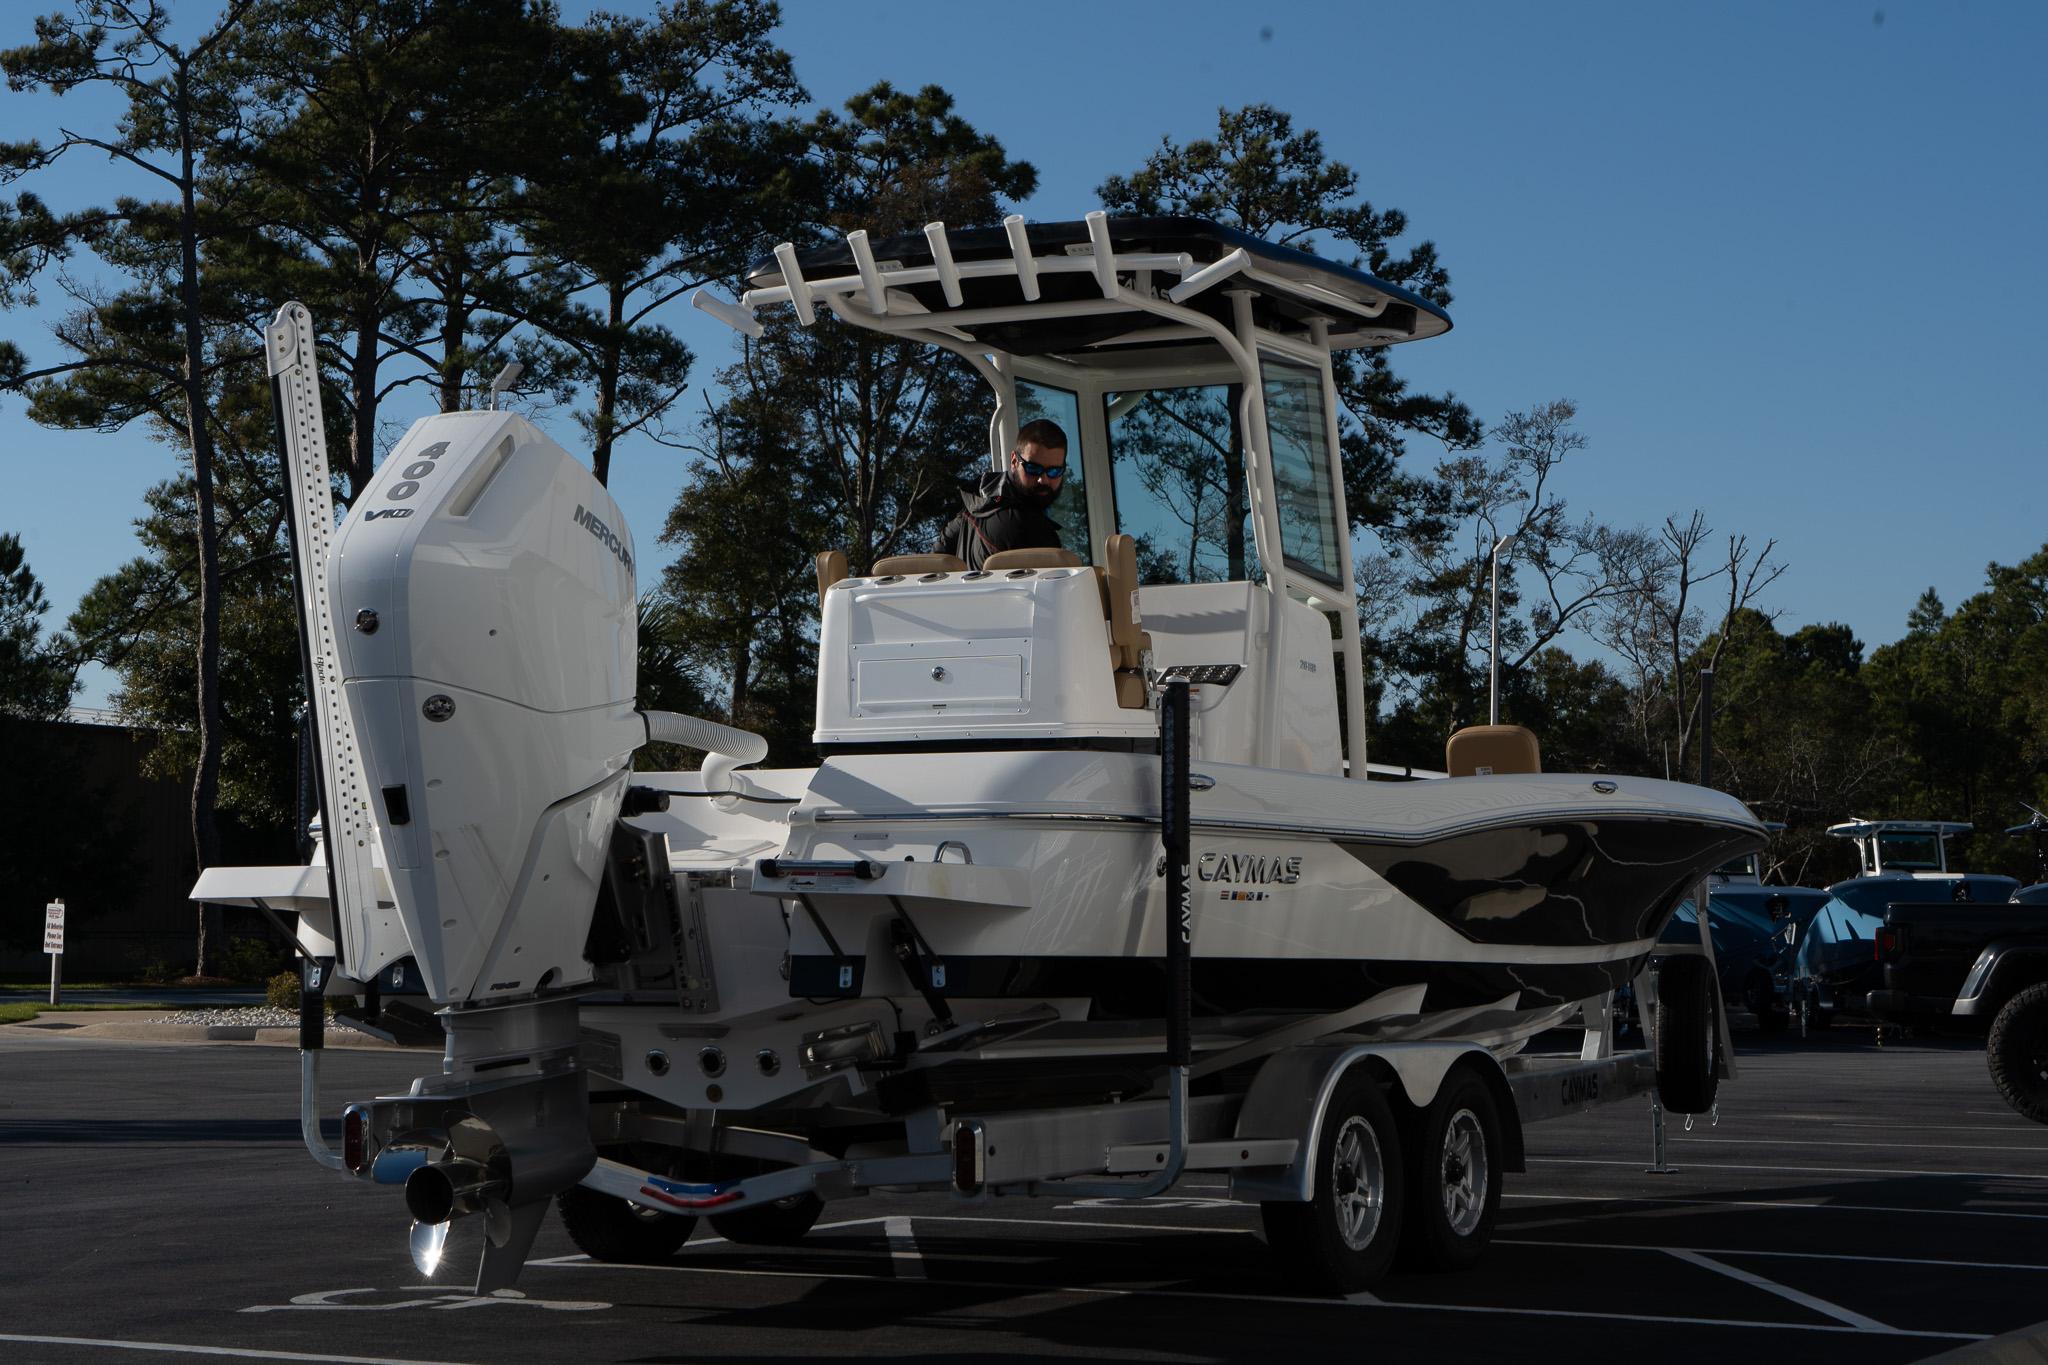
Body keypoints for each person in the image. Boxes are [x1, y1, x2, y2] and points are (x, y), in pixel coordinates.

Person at [933, 419, 1070, 570]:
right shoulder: (1031, 530)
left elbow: (938, 555)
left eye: (1054, 471)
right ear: (1014, 461)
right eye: (1033, 468)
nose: (1043, 480)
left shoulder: (977, 505)